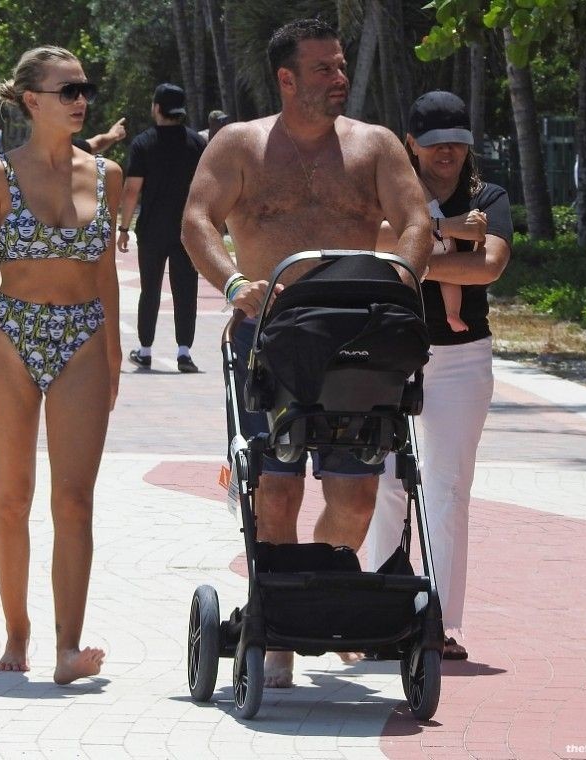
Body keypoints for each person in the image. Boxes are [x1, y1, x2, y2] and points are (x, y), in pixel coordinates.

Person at [181, 18, 431, 687]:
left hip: (357, 336)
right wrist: (233, 284)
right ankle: (279, 629)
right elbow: (196, 219)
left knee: (355, 496)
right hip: (269, 335)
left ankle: (317, 600)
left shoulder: (374, 145)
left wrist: (401, 280)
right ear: (286, 78)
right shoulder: (240, 145)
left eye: (341, 66)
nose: (339, 78)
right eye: (324, 68)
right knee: (277, 487)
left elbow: (415, 221)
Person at [0, 45, 121, 683]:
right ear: (32, 100)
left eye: (85, 89)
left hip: (83, 336)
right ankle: (16, 629)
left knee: (75, 500)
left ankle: (68, 649)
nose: (81, 100)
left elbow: (106, 272)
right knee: (12, 498)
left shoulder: (108, 175)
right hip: (11, 336)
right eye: (68, 91)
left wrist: (114, 352)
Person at [365, 90, 513, 661]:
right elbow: (369, 237)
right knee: (383, 482)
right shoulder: (387, 191)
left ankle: (442, 624)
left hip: (462, 359)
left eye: (457, 142)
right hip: (387, 354)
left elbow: (488, 265)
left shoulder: (488, 197)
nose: (447, 152)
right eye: (434, 143)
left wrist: (411, 256)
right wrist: (441, 240)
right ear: (412, 144)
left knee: (449, 490)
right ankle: (382, 617)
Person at [118, 84, 205, 373]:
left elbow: (132, 189)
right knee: (186, 289)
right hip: (187, 231)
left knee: (150, 289)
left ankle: (145, 351)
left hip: (151, 230)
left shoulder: (143, 143)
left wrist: (123, 228)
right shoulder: (196, 143)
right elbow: (206, 188)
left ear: (156, 108)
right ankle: (184, 353)